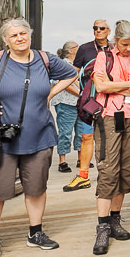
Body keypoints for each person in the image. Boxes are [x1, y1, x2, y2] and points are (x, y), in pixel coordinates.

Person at [0, 17, 77, 257]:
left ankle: (36, 232)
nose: (19, 38)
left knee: (36, 188)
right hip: (0, 139)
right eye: (13, 35)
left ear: (30, 35)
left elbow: (72, 73)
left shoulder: (45, 58)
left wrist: (51, 93)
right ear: (5, 40)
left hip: (40, 135)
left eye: (23, 33)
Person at [89, 21, 130, 255]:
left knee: (126, 169)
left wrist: (116, 87)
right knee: (108, 169)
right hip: (109, 117)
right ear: (116, 40)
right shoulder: (104, 56)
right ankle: (102, 225)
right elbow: (100, 85)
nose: (129, 48)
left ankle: (115, 218)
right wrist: (129, 84)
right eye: (125, 44)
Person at [63, 19, 112, 191]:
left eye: (102, 28)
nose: (98, 31)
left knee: (109, 138)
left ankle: (108, 175)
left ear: (109, 30)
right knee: (86, 137)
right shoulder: (84, 49)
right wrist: (79, 93)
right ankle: (83, 176)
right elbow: (72, 74)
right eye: (95, 28)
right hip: (90, 102)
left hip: (110, 101)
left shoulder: (114, 48)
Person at [52, 41, 81, 173]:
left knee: (81, 132)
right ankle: (62, 161)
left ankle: (81, 158)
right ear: (70, 50)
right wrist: (80, 94)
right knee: (65, 132)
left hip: (78, 103)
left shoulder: (78, 65)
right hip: (66, 102)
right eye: (77, 47)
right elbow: (64, 84)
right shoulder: (62, 64)